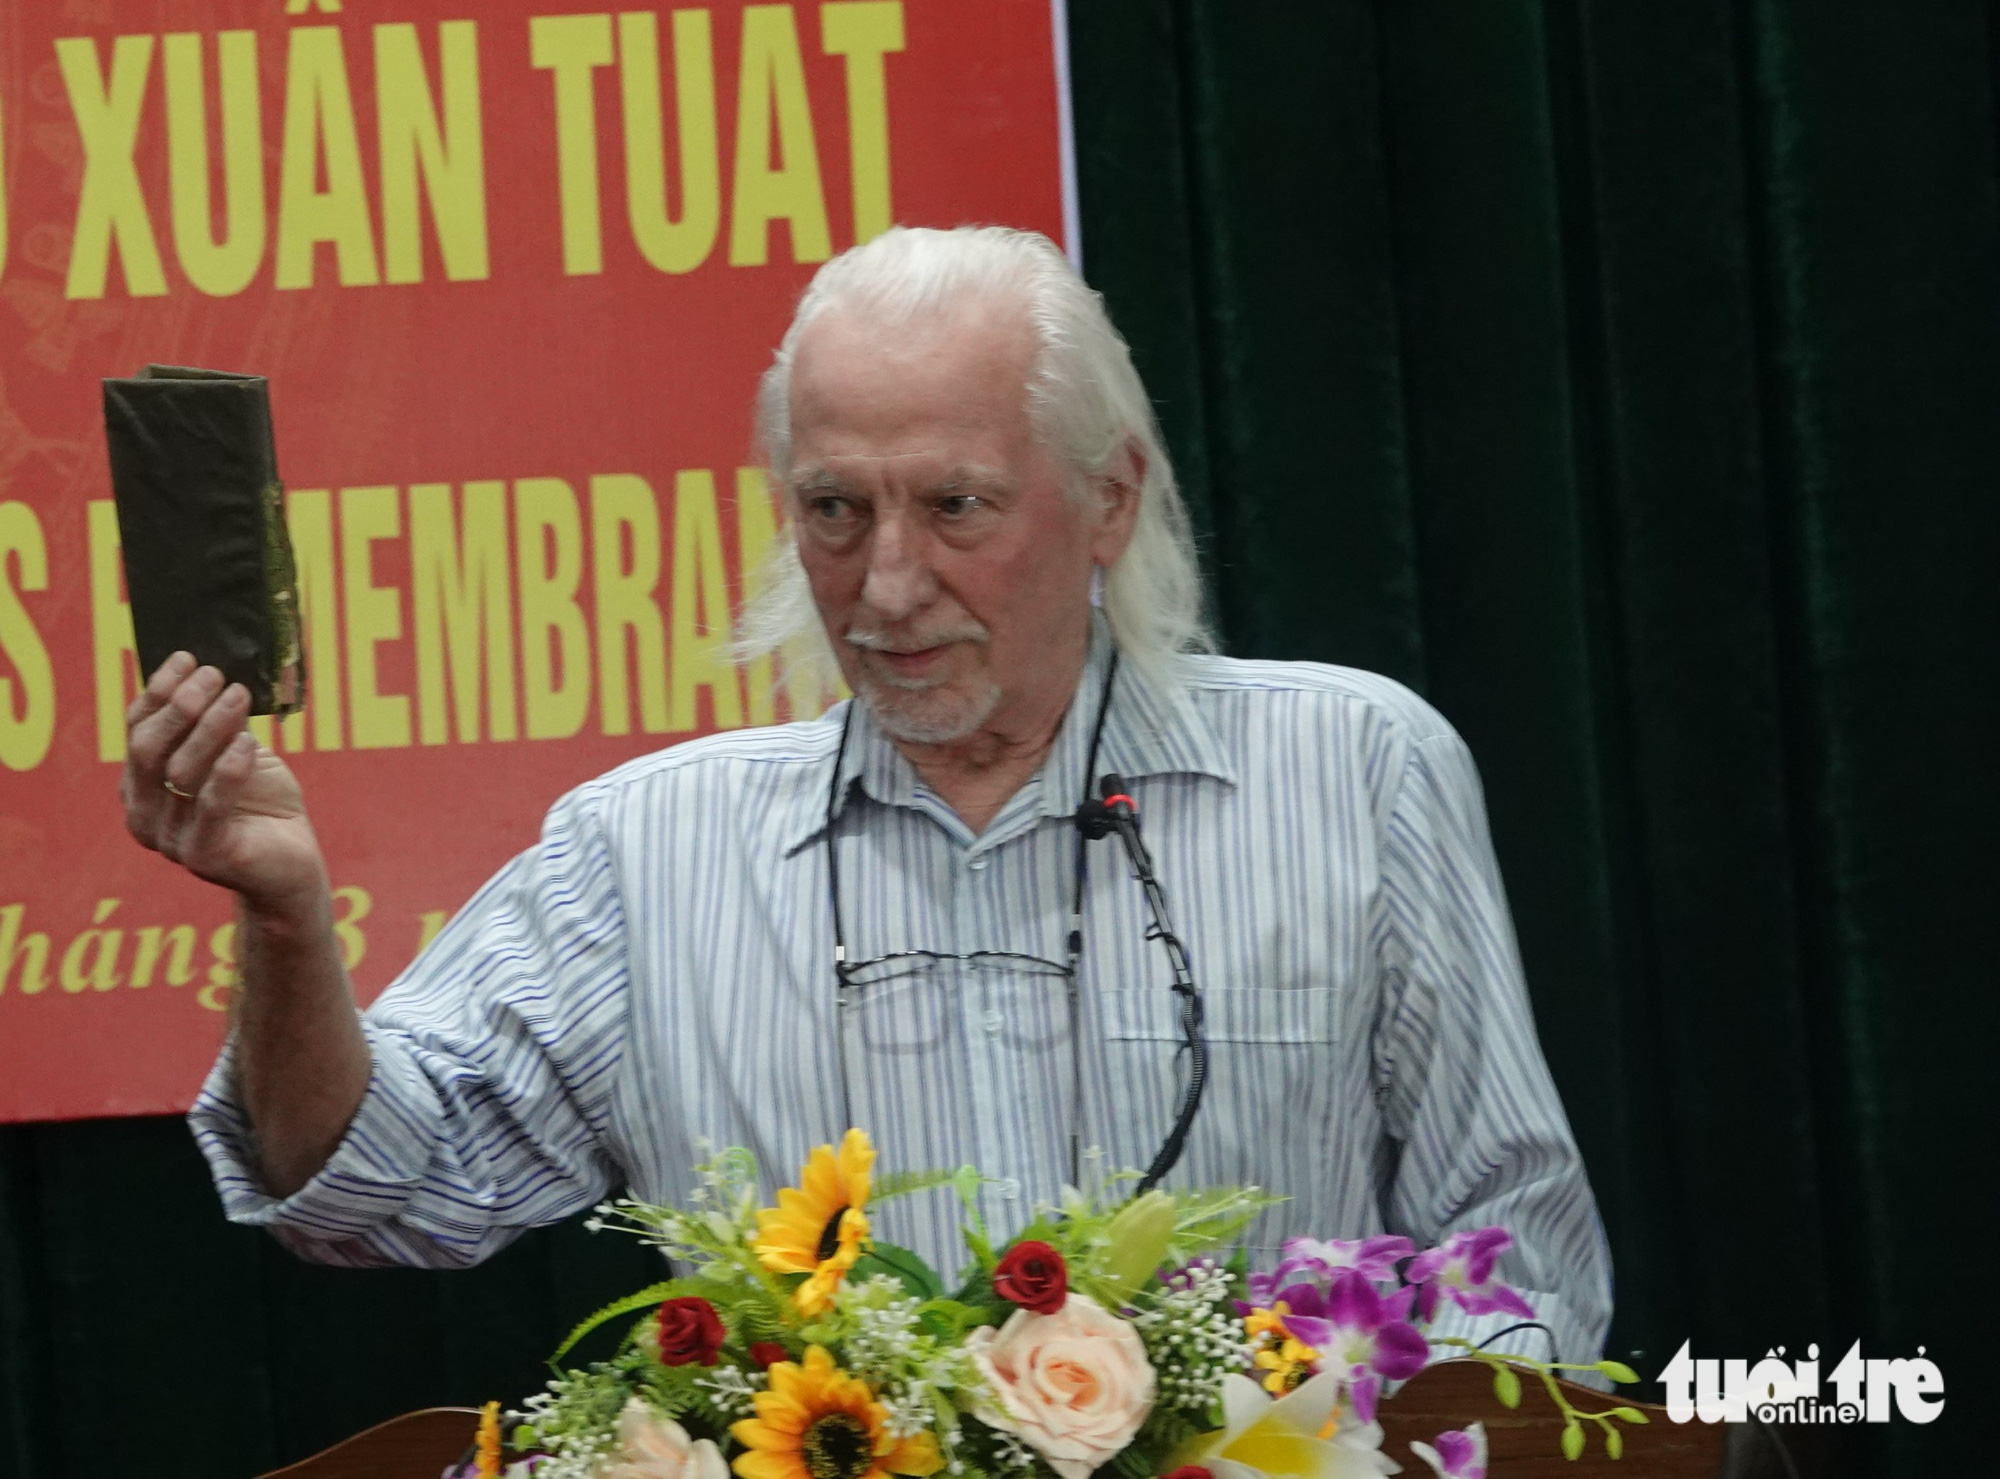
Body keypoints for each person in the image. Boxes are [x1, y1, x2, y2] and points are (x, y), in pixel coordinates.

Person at [123, 226, 1612, 1365]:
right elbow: (370, 1189)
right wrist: (288, 918)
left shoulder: (1355, 772)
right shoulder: (649, 852)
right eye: (835, 511)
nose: (887, 585)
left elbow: (1522, 1269)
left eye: (954, 505)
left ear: (1108, 497)